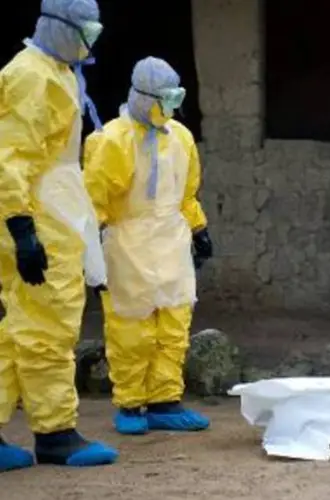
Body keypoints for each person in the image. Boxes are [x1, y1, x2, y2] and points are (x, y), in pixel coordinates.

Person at [0, 0, 119, 471]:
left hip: (54, 206)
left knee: (20, 331)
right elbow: (12, 155)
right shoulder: (31, 74)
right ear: (61, 26)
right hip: (39, 210)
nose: (91, 38)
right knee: (49, 328)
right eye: (86, 28)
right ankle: (55, 432)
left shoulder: (59, 70)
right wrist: (20, 225)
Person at [83, 57, 213, 436]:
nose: (172, 107)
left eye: (176, 98)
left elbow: (188, 193)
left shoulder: (182, 139)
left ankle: (165, 401)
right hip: (128, 242)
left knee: (174, 324)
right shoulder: (111, 140)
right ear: (144, 97)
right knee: (131, 328)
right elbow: (95, 202)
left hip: (171, 239)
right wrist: (91, 256)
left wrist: (199, 229)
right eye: (166, 99)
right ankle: (130, 403)